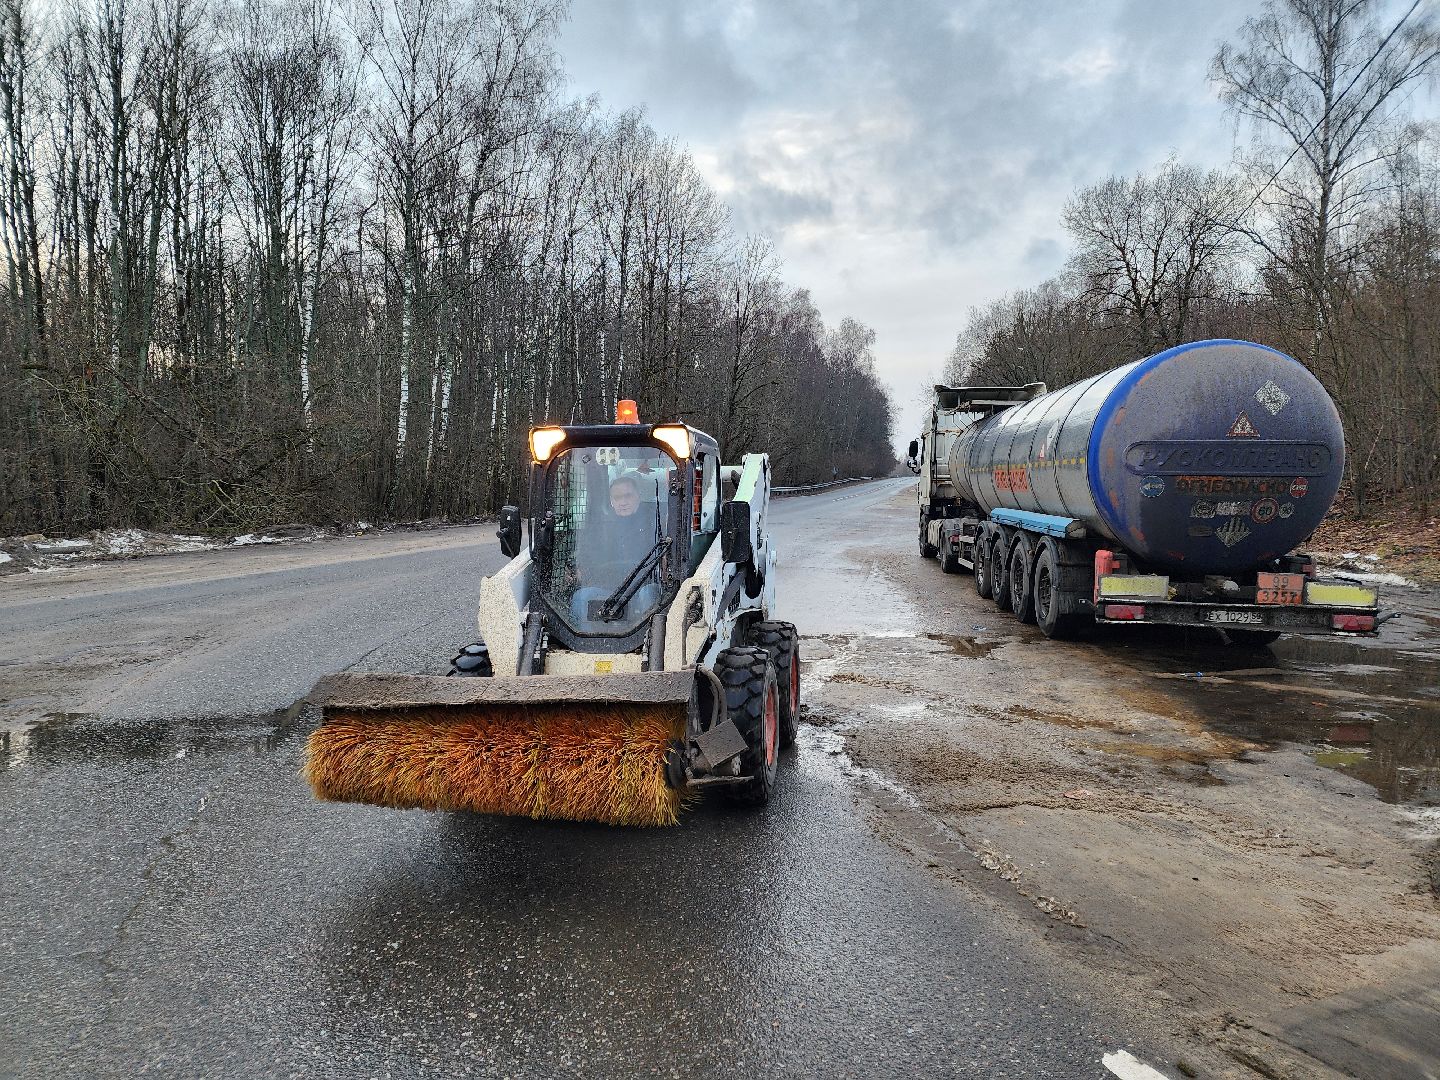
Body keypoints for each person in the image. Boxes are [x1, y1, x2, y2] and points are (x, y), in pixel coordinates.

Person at [570, 473, 661, 626]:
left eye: (628, 496)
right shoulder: (601, 530)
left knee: (649, 595)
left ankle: (651, 641)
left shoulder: (655, 522)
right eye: (617, 498)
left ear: (638, 496)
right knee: (581, 597)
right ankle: (590, 644)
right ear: (611, 502)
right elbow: (588, 558)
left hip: (642, 588)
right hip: (609, 589)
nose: (623, 502)